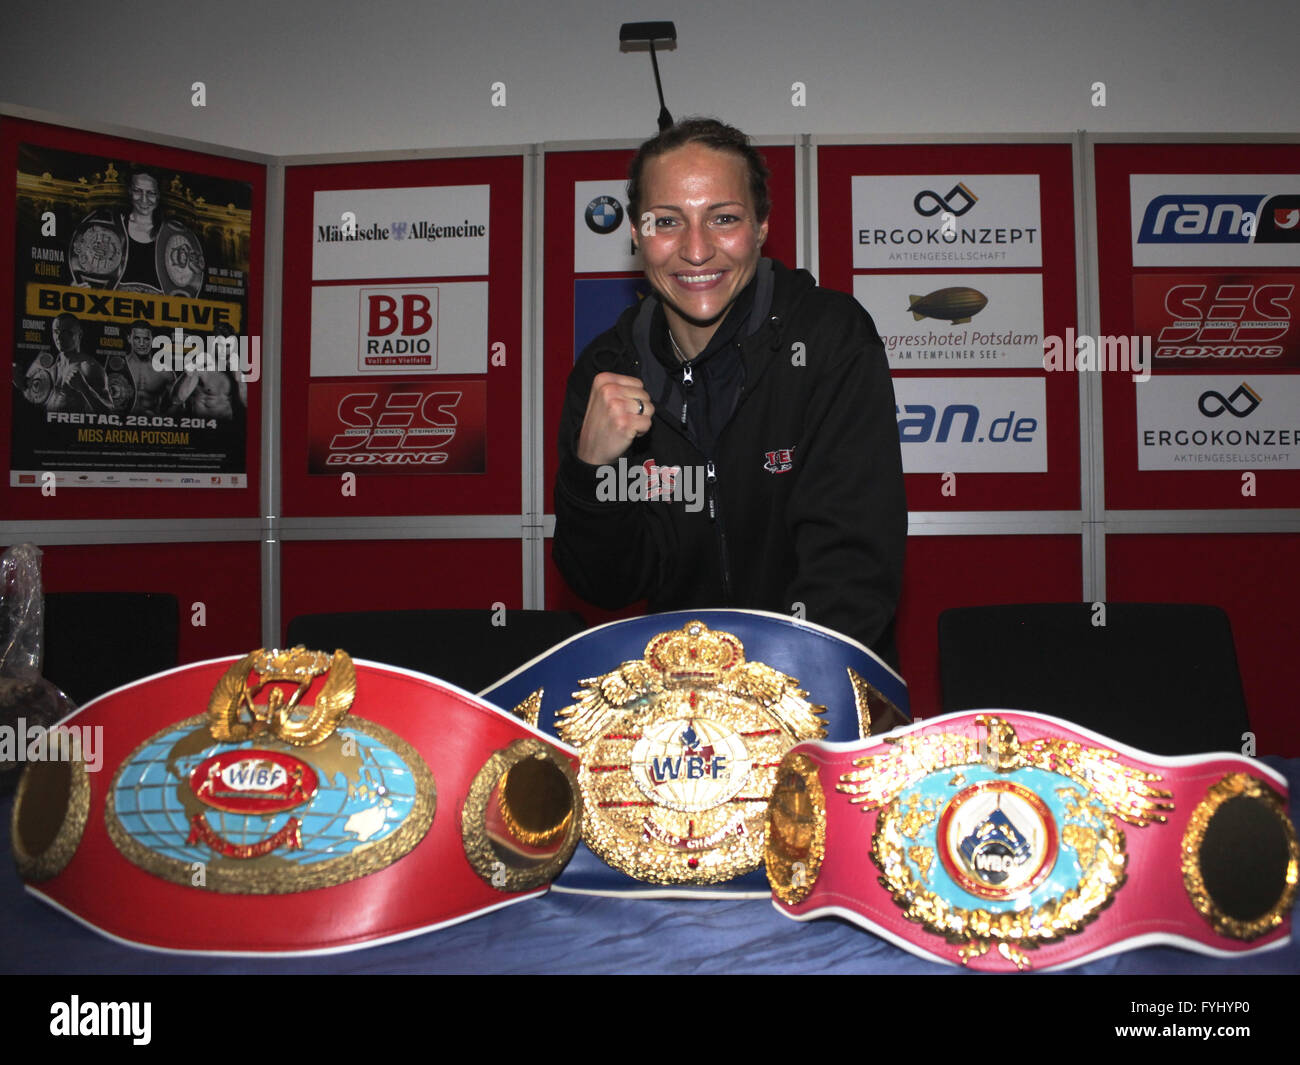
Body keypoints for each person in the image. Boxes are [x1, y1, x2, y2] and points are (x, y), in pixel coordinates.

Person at [553, 118, 906, 666]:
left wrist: (762, 703)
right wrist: (590, 471)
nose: (697, 250)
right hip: (679, 710)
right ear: (636, 234)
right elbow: (606, 584)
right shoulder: (606, 370)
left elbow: (852, 574)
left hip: (821, 688)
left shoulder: (829, 338)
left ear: (761, 226)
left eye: (723, 218)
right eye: (667, 221)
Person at [22, 313, 114, 415]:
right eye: (56, 332)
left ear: (80, 335)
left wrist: (85, 389)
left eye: (66, 332)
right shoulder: (53, 366)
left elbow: (109, 412)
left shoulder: (88, 366)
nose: (59, 337)